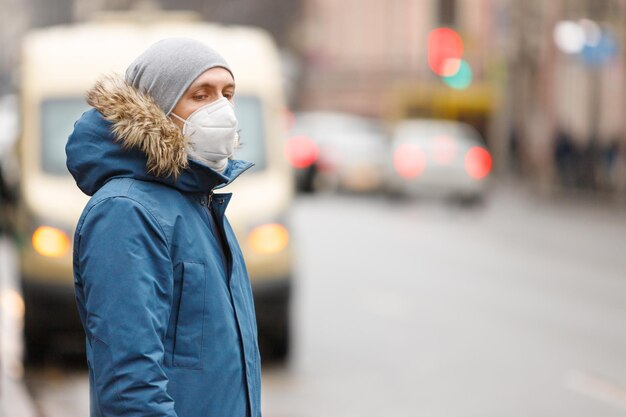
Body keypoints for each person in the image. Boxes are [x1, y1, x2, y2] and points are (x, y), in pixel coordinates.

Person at [66, 38, 261, 417]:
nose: (221, 108)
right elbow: (129, 384)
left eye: (227, 93)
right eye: (201, 95)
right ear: (157, 109)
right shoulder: (126, 211)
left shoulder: (198, 200)